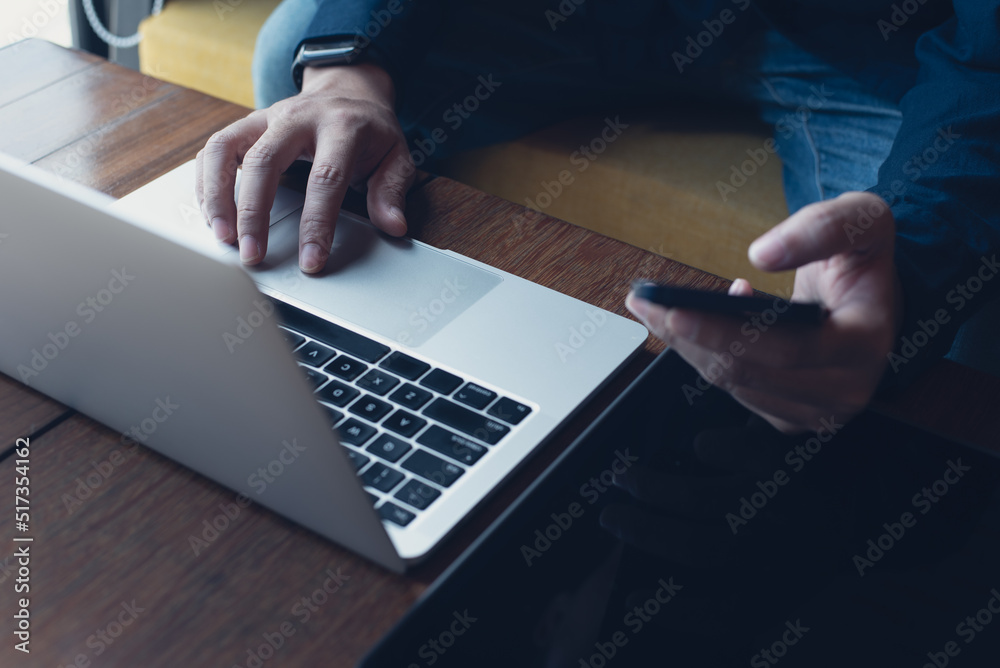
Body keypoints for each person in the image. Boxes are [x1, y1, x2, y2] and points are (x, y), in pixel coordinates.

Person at [195, 0, 1000, 434]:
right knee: (307, 66)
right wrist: (348, 65)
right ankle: (362, 398)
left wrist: (919, 256)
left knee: (910, 316)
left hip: (872, 44)